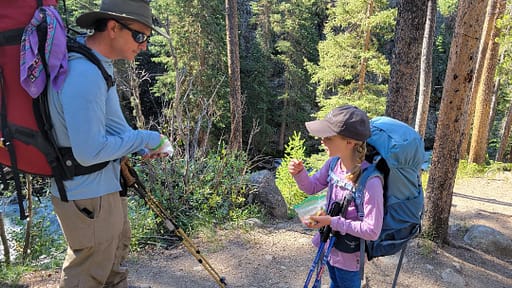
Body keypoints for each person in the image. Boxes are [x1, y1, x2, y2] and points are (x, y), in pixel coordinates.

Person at [48, 0, 172, 287]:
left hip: (103, 188)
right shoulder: (85, 74)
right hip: (88, 193)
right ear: (113, 28)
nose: (143, 46)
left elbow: (114, 125)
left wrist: (140, 147)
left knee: (113, 263)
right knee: (88, 273)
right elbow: (89, 151)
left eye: (147, 39)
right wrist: (147, 138)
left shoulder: (96, 64)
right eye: (139, 36)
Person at [288, 105, 384, 288]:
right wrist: (299, 173)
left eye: (328, 137)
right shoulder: (333, 164)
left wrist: (331, 221)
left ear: (350, 142)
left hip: (349, 254)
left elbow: (372, 230)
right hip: (329, 245)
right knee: (334, 282)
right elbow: (312, 187)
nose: (322, 141)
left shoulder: (370, 182)